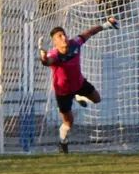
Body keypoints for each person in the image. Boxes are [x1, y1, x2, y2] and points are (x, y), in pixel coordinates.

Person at [38, 19, 118, 154]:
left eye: (64, 34)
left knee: (97, 99)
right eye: (59, 36)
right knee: (69, 124)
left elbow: (89, 32)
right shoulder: (54, 55)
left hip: (80, 84)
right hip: (63, 92)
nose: (63, 37)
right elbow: (46, 62)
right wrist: (43, 54)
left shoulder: (75, 44)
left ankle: (78, 95)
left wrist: (106, 25)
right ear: (55, 42)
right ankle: (63, 143)